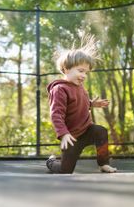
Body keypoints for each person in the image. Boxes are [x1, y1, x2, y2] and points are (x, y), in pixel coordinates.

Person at [46, 34, 117, 174]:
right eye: (80, 71)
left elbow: (78, 104)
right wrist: (63, 134)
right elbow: (56, 115)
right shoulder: (59, 89)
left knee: (101, 131)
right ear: (66, 69)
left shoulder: (80, 87)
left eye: (86, 72)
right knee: (65, 170)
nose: (84, 75)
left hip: (87, 130)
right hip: (71, 136)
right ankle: (51, 162)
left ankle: (103, 164)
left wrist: (91, 104)